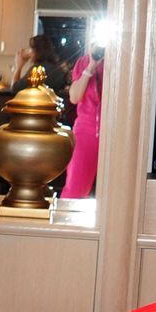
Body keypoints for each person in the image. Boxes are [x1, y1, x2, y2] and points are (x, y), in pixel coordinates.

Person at [61, 43, 104, 200]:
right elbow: (74, 97)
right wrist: (91, 67)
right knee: (75, 189)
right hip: (86, 131)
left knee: (116, 192)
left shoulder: (124, 62)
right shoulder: (84, 62)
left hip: (117, 133)